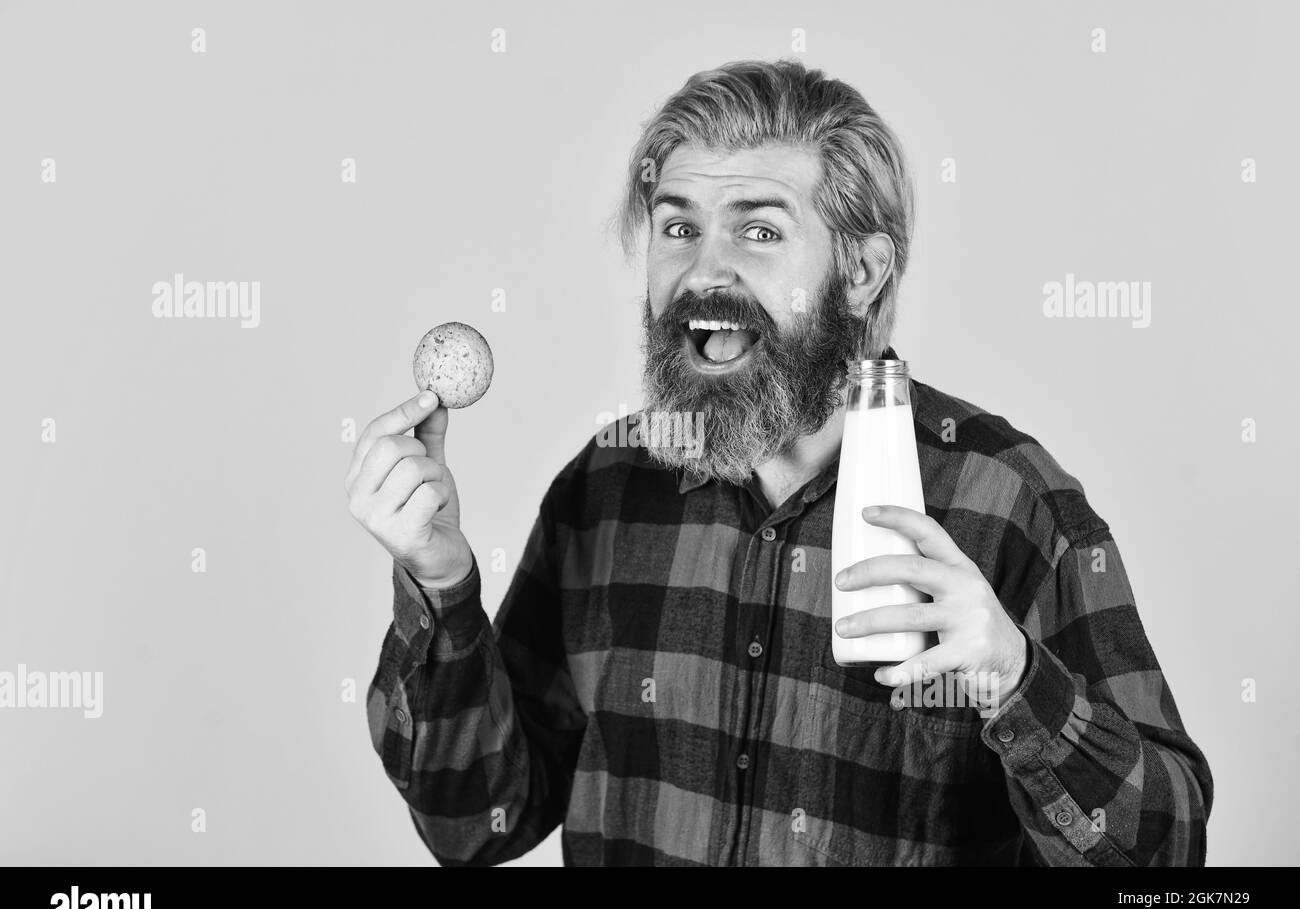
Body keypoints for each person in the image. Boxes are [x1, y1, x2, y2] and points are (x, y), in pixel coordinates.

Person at [345, 59, 1212, 866]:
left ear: (862, 269)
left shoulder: (1008, 502)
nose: (702, 270)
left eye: (759, 230)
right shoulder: (606, 489)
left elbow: (1168, 858)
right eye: (677, 226)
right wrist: (441, 581)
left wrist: (1014, 679)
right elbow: (478, 823)